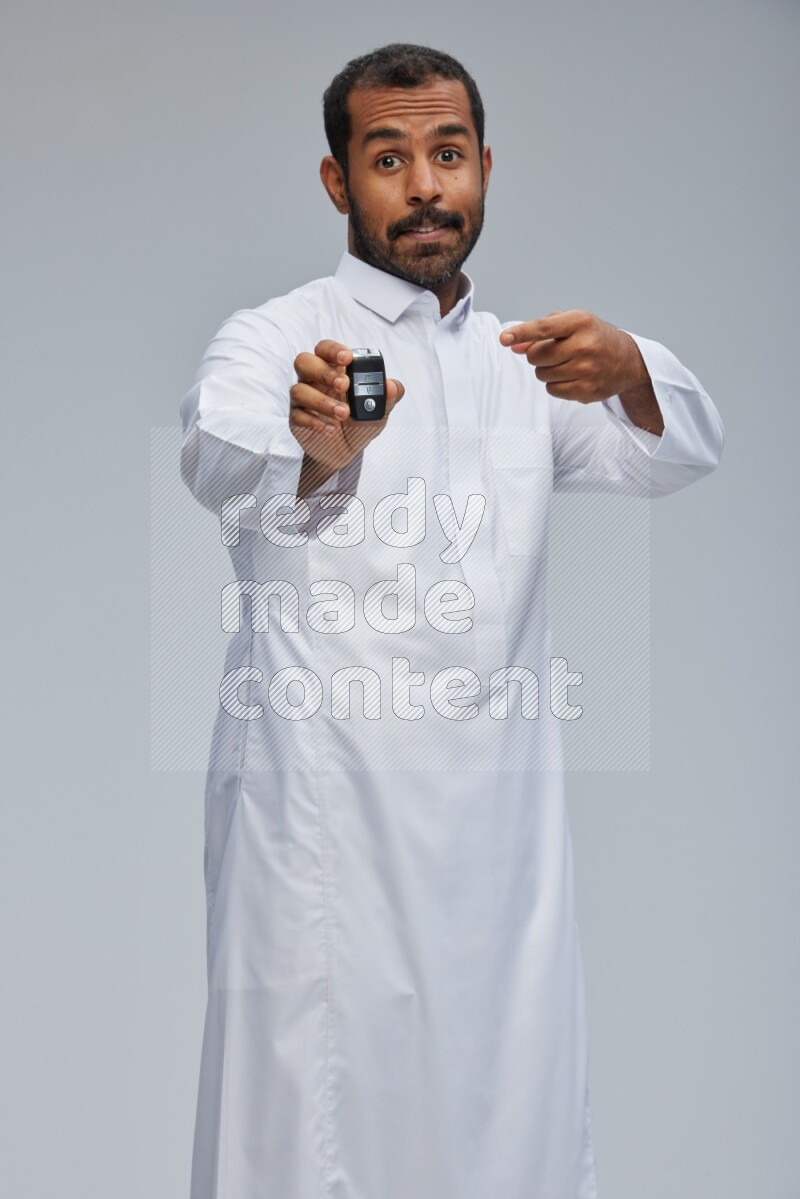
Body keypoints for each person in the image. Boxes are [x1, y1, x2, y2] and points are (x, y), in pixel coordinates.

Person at [179, 42, 724, 1199]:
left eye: (446, 152)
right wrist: (318, 447)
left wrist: (630, 366)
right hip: (322, 814)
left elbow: (675, 449)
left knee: (503, 1108)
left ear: (483, 166)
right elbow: (217, 458)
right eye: (389, 157)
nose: (424, 184)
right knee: (306, 1119)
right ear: (337, 182)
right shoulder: (281, 335)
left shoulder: (522, 363)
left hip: (493, 829)